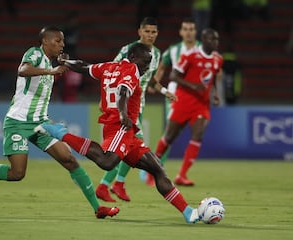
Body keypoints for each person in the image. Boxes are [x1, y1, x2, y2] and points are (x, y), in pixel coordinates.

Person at [0, 26, 119, 219]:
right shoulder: (34, 53)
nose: (62, 44)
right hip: (18, 121)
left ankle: (97, 208)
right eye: (57, 41)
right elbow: (22, 70)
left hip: (40, 123)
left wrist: (60, 66)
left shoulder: (51, 62)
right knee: (17, 173)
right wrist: (51, 71)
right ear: (45, 41)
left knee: (69, 160)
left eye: (62, 41)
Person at [34, 42, 199, 224]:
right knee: (107, 161)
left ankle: (188, 212)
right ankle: (60, 132)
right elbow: (123, 91)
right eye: (145, 63)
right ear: (134, 58)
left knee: (157, 168)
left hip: (128, 131)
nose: (145, 68)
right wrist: (122, 113)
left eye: (148, 64)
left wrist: (66, 62)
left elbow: (84, 67)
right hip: (120, 125)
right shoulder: (132, 70)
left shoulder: (108, 67)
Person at [96, 17, 161, 202]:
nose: (150, 35)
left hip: (138, 105)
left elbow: (151, 79)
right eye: (147, 31)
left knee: (127, 146)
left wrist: (164, 90)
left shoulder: (157, 54)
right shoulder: (128, 50)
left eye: (153, 32)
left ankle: (107, 186)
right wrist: (107, 99)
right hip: (124, 104)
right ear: (139, 31)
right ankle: (116, 184)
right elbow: (112, 70)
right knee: (132, 144)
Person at [154, 28, 223, 186]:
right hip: (184, 101)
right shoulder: (190, 55)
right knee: (169, 137)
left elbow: (212, 78)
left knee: (198, 134)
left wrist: (216, 94)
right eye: (213, 40)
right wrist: (193, 86)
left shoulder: (218, 59)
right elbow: (174, 76)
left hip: (201, 105)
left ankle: (182, 175)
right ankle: (152, 168)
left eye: (217, 40)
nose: (216, 43)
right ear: (204, 40)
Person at [143, 17, 200, 186]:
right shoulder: (173, 51)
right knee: (169, 134)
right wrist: (155, 83)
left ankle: (177, 173)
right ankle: (154, 172)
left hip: (196, 97)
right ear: (181, 32)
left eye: (191, 29)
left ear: (195, 32)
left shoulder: (201, 50)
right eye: (186, 29)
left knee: (191, 134)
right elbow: (161, 68)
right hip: (177, 95)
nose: (189, 32)